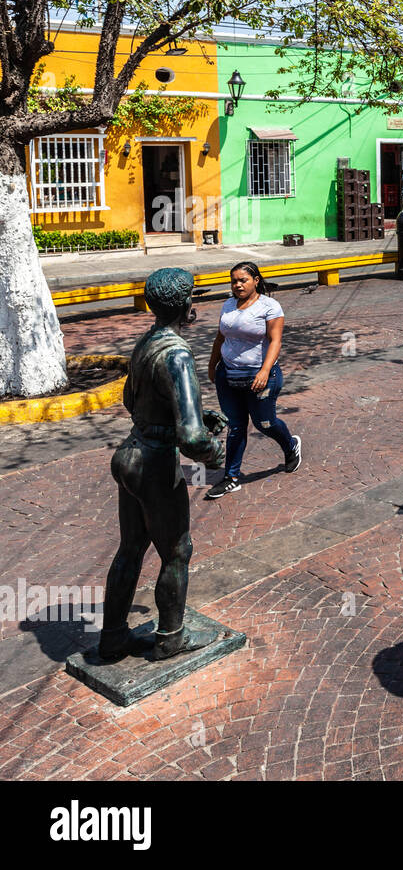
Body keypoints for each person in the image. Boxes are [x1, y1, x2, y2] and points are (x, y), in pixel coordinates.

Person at [100, 268, 226, 661]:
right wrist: (214, 453)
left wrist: (196, 412)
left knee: (130, 550)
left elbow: (133, 402)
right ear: (186, 305)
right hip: (155, 464)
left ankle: (114, 637)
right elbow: (190, 439)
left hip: (129, 455)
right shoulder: (177, 353)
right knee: (177, 551)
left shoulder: (147, 342)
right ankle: (171, 637)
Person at [205, 262, 301, 499]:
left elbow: (275, 341)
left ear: (256, 280)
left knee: (264, 423)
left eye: (243, 280)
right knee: (235, 426)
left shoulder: (270, 307)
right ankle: (232, 477)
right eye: (234, 281)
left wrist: (265, 371)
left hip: (260, 377)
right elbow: (220, 338)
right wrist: (212, 365)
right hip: (228, 375)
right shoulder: (228, 304)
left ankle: (291, 446)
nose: (237, 285)